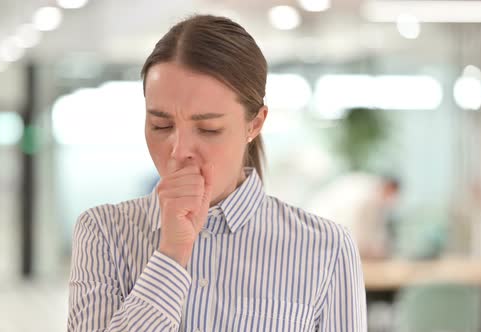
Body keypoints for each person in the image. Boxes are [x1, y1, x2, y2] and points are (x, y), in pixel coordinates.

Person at [68, 15, 366, 331]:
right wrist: (172, 253)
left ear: (255, 124)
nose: (179, 149)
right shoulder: (103, 233)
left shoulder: (327, 248)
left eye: (208, 129)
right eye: (161, 125)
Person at [306, 172, 400, 260]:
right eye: (392, 194)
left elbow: (373, 230)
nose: (391, 199)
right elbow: (356, 226)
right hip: (324, 224)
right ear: (388, 187)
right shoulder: (366, 196)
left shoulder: (374, 197)